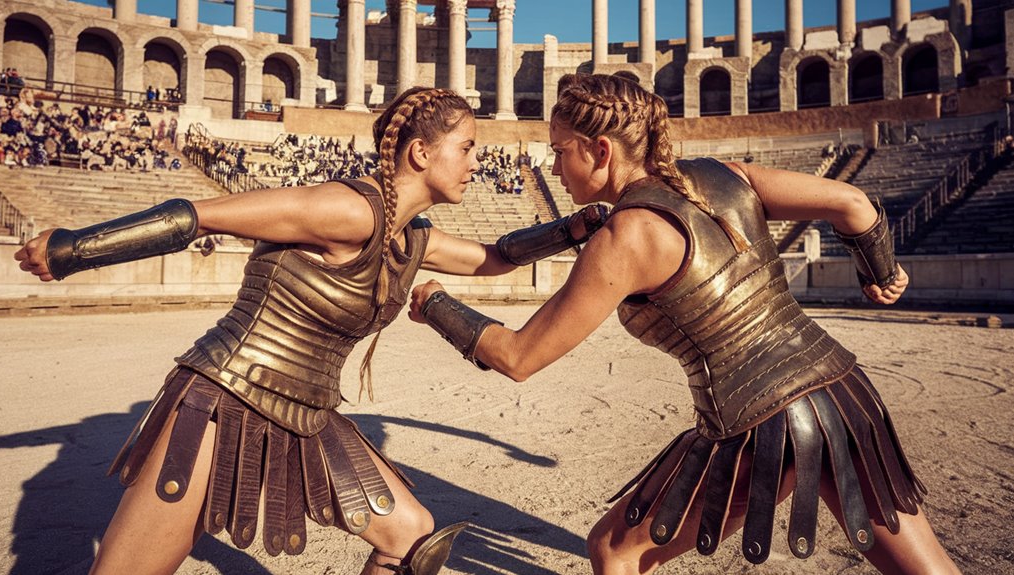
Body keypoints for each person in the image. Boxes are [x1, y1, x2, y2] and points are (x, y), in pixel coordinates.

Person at [13, 86, 608, 575]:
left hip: (305, 415)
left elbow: (496, 257)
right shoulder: (347, 209)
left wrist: (580, 227)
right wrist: (74, 249)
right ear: (422, 154)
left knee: (410, 535)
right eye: (468, 146)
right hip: (223, 401)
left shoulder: (412, 237)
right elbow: (196, 216)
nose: (479, 161)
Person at [409, 74, 962, 575]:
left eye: (560, 152)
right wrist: (880, 274)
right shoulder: (724, 174)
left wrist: (435, 304)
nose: (553, 168)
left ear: (600, 150)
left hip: (758, 420)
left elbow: (518, 356)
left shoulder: (624, 240)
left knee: (615, 552)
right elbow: (852, 202)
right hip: (840, 391)